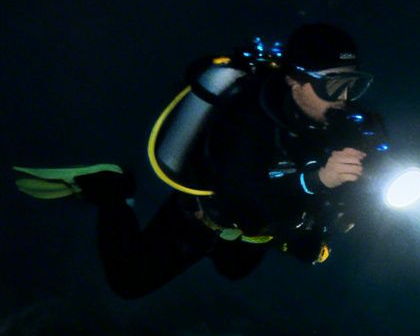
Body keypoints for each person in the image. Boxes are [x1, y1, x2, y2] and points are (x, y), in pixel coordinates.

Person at [14, 23, 376, 298]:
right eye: (332, 85)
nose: (344, 98)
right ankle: (113, 190)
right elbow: (239, 194)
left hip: (259, 229)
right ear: (295, 80)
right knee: (128, 283)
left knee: (234, 270)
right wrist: (316, 181)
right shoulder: (250, 114)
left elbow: (368, 186)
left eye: (353, 84)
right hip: (206, 214)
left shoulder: (348, 123)